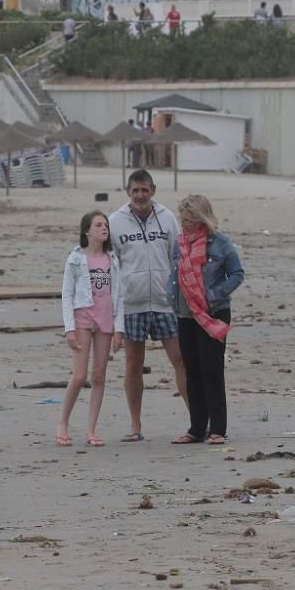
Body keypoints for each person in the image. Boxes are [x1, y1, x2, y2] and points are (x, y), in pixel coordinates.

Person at [109, 169, 188, 442]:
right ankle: (135, 425)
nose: (140, 195)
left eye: (145, 189)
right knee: (133, 363)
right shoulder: (115, 222)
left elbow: (177, 256)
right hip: (132, 303)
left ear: (153, 190)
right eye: (135, 190)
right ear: (128, 192)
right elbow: (111, 264)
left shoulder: (167, 218)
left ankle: (197, 420)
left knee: (180, 359)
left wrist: (178, 294)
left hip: (165, 302)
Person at [167, 195, 244, 445]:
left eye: (188, 219)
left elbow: (236, 274)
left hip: (213, 313)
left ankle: (218, 428)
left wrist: (213, 294)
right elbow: (174, 274)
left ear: (201, 218)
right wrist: (171, 298)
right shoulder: (179, 244)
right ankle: (197, 427)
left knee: (212, 370)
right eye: (182, 219)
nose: (184, 224)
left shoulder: (221, 244)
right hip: (185, 313)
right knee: (192, 371)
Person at [57, 211, 125, 447]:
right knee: (79, 375)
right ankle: (63, 423)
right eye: (98, 225)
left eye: (105, 225)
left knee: (99, 375)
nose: (104, 228)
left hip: (106, 319)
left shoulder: (112, 260)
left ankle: (91, 430)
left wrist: (119, 329)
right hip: (83, 316)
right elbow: (67, 294)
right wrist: (69, 328)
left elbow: (119, 295)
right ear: (87, 230)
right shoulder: (75, 258)